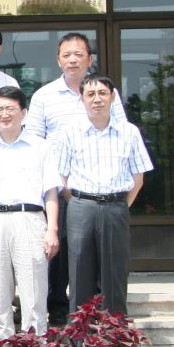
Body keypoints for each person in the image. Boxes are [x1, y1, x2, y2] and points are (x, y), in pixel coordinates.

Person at [24, 32, 127, 323]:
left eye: (78, 54)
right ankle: (59, 309)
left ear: (90, 59)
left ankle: (98, 310)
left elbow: (120, 132)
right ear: (58, 60)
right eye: (66, 55)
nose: (72, 60)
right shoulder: (44, 96)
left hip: (95, 187)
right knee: (59, 247)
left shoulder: (105, 93)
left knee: (97, 251)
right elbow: (34, 141)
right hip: (57, 187)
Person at [57, 74, 152, 316]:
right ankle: (80, 331)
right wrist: (77, 202)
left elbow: (138, 178)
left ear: (112, 97)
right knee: (79, 269)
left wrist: (121, 205)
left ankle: (115, 331)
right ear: (82, 99)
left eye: (102, 93)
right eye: (90, 94)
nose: (96, 99)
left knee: (115, 270)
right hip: (81, 206)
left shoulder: (129, 132)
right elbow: (62, 177)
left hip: (115, 206)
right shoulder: (70, 132)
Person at [0, 86, 60, 339]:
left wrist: (52, 229)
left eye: (10, 109)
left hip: (30, 219)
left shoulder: (40, 146)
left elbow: (51, 192)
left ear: (23, 113)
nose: (4, 114)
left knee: (33, 289)